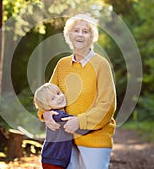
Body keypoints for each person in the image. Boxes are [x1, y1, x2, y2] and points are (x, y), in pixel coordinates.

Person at [38, 13, 117, 169]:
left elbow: (107, 105)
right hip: (65, 141)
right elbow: (46, 95)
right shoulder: (62, 64)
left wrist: (79, 122)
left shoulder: (101, 65)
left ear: (92, 37)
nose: (80, 34)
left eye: (85, 31)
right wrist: (45, 113)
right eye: (76, 30)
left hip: (95, 141)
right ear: (69, 35)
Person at [34, 82, 89, 169]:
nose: (59, 98)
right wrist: (94, 122)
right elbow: (81, 126)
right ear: (47, 106)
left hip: (51, 158)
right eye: (53, 98)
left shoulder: (55, 115)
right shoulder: (59, 117)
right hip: (55, 159)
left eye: (58, 93)